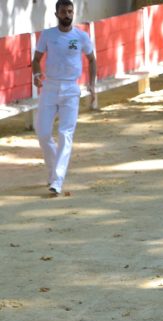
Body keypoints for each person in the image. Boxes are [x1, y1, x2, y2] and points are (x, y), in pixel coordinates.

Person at [32, 0, 97, 196]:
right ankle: (54, 172)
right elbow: (36, 59)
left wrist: (92, 85)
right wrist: (36, 75)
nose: (67, 15)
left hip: (70, 89)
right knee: (43, 133)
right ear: (56, 14)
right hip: (50, 87)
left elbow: (92, 59)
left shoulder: (81, 36)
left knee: (65, 134)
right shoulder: (48, 35)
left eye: (70, 11)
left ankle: (57, 180)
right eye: (63, 12)